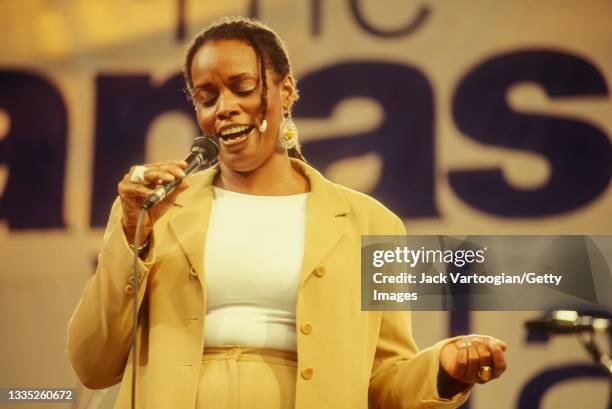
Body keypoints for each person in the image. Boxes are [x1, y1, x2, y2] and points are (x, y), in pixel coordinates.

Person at [67, 16, 507, 409]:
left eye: (242, 87)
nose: (224, 108)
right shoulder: (154, 210)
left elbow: (383, 385)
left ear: (287, 90)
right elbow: (94, 365)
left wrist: (444, 369)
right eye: (206, 97)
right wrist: (131, 232)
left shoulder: (370, 224)